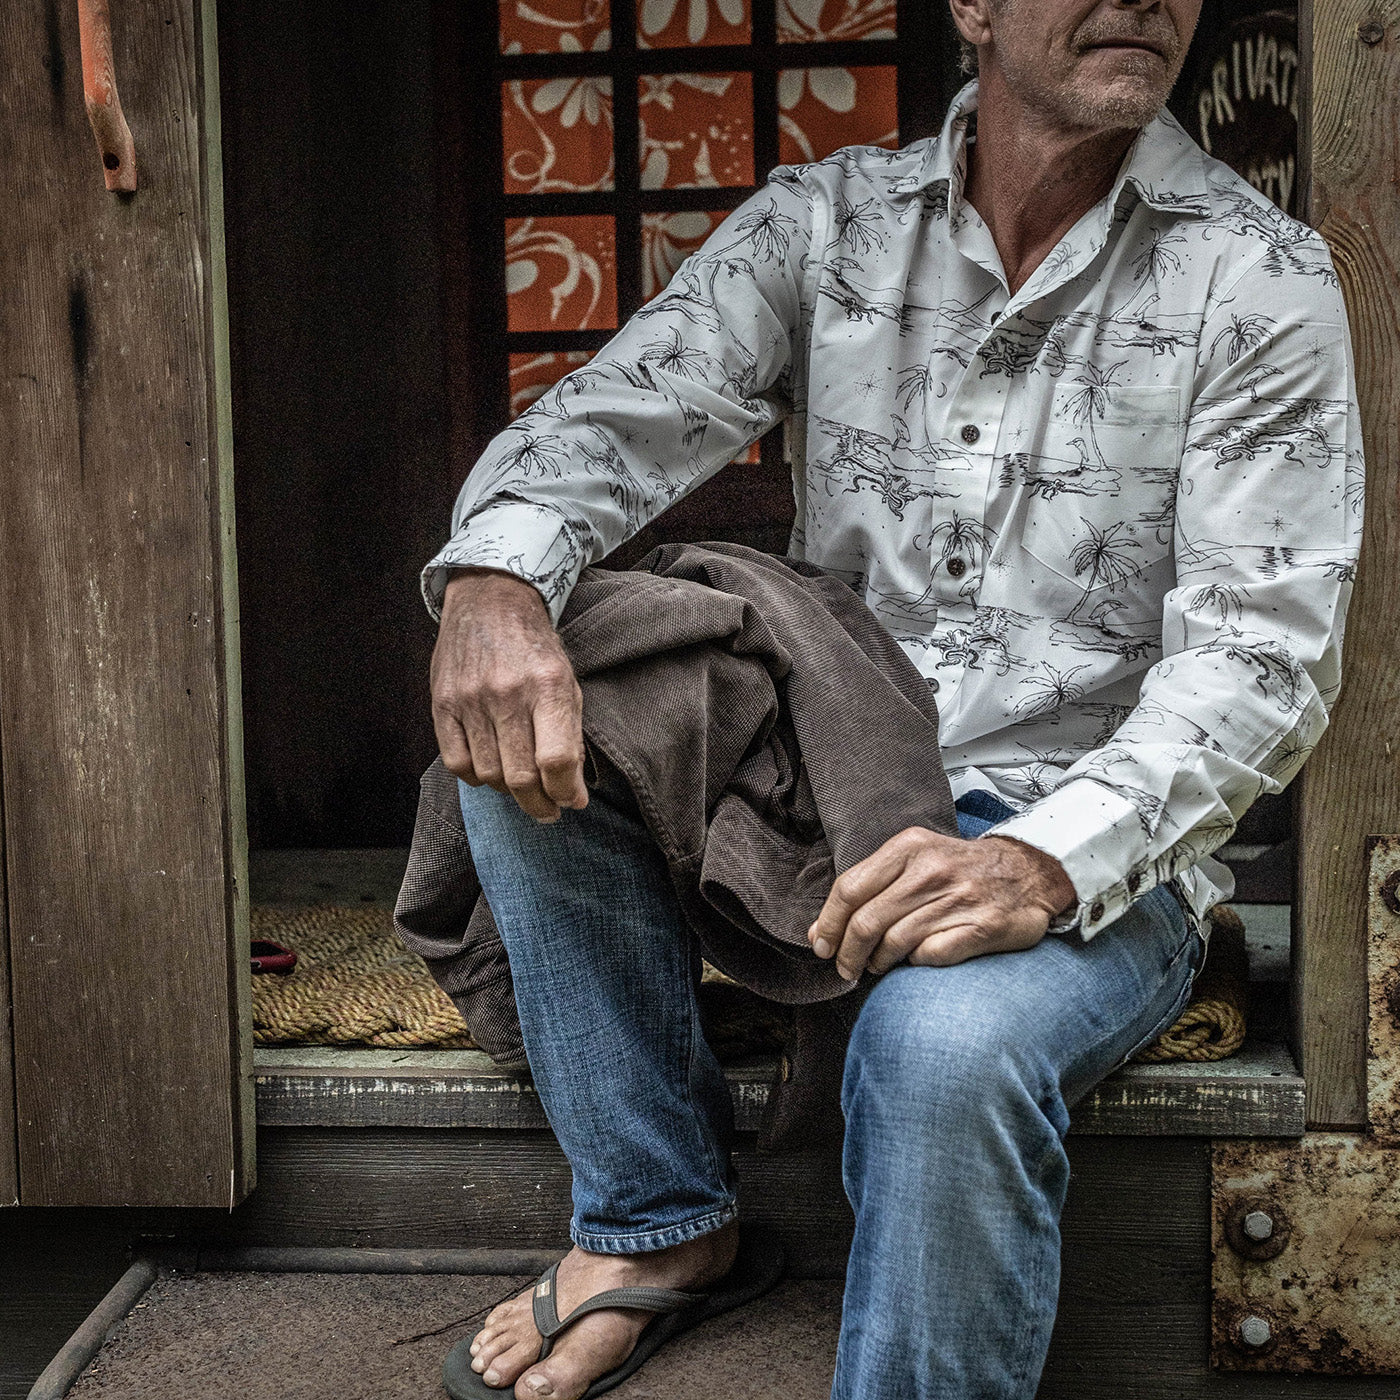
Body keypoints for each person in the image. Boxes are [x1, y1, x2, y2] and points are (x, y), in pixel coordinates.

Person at [422, 1, 1362, 1396]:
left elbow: (1262, 654)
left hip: (1090, 844)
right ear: (973, 5)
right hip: (831, 791)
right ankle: (656, 1221)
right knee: (528, 671)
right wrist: (491, 587)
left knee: (941, 1047)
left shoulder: (1259, 274)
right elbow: (601, 429)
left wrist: (1041, 860)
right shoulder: (828, 222)